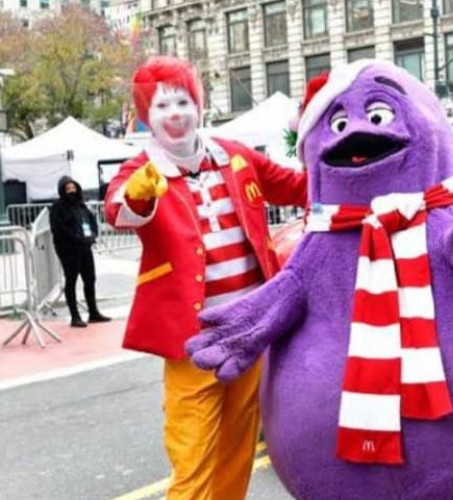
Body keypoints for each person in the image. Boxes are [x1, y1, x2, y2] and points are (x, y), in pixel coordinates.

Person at [104, 56, 307, 500]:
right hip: (193, 339)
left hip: (250, 329)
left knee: (238, 448)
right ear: (146, 118)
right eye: (161, 106)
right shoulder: (143, 169)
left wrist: (339, 159)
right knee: (192, 454)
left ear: (198, 105)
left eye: (182, 100)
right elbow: (117, 208)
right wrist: (138, 195)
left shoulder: (234, 156)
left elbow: (296, 186)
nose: (174, 113)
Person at [49, 176, 111, 327]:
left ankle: (93, 311)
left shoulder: (81, 206)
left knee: (90, 279)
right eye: (68, 189)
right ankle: (75, 316)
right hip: (68, 249)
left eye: (73, 188)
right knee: (71, 281)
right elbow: (58, 229)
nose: (71, 191)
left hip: (85, 247)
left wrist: (92, 235)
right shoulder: (57, 208)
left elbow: (91, 222)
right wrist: (75, 238)